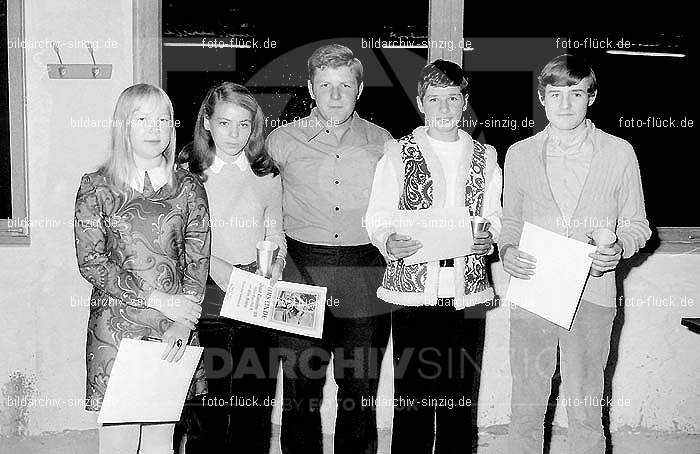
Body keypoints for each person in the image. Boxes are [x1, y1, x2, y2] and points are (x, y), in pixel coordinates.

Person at [500, 54, 652, 454]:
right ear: (541, 97)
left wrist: (619, 247)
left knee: (586, 409)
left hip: (594, 296)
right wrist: (507, 250)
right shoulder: (519, 154)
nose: (565, 104)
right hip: (534, 293)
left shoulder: (619, 153)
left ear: (592, 97)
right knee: (527, 407)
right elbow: (509, 223)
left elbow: (638, 226)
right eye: (555, 94)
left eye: (576, 93)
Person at [365, 59, 502, 454]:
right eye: (435, 99)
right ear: (421, 103)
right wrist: (388, 240)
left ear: (465, 103)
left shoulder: (486, 156)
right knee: (414, 401)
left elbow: (494, 214)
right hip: (413, 293)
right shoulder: (397, 152)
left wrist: (488, 235)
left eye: (453, 98)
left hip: (469, 292)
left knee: (460, 400)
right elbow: (378, 214)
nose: (444, 108)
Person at [265, 43, 392, 454]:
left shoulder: (384, 142)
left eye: (344, 85)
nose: (334, 95)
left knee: (359, 385)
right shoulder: (281, 141)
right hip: (301, 268)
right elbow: (254, 197)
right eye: (325, 85)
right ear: (310, 87)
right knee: (301, 386)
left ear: (359, 89)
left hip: (365, 269)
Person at [73, 83, 210, 454]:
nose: (155, 128)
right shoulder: (97, 187)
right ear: (123, 126)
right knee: (118, 438)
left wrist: (185, 320)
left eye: (164, 119)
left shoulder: (189, 187)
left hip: (173, 327)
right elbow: (92, 262)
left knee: (160, 438)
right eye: (143, 118)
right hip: (117, 327)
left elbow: (198, 261)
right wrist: (157, 300)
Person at [177, 82, 284, 454]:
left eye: (243, 124)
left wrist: (276, 265)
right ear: (207, 122)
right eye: (224, 123)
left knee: (254, 409)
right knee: (209, 410)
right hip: (207, 300)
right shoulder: (187, 172)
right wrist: (217, 268)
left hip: (256, 299)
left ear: (254, 126)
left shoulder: (266, 172)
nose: (234, 134)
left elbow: (275, 228)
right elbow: (179, 238)